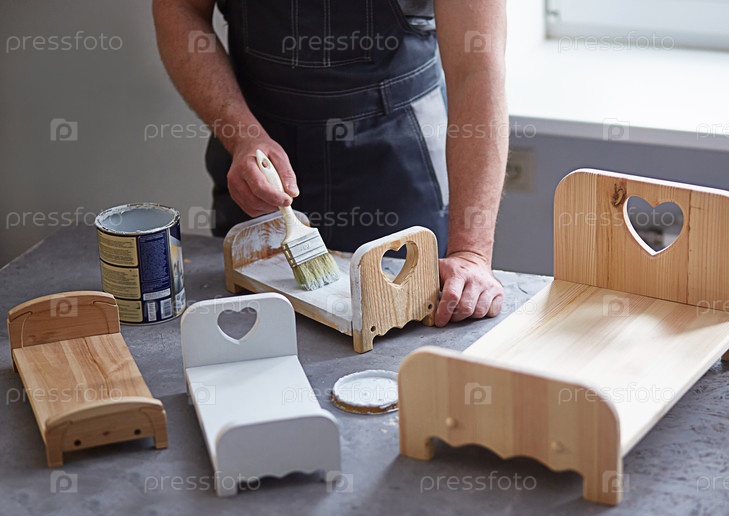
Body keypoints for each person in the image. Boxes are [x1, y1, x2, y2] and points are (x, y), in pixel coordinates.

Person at [153, 0, 507, 326]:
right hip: (259, 153)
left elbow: (476, 71)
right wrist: (241, 135)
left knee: (401, 323)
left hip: (395, 158)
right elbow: (180, 8)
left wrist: (470, 253)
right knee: (249, 327)